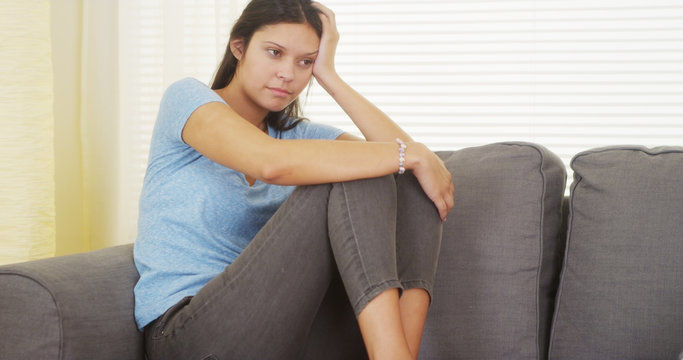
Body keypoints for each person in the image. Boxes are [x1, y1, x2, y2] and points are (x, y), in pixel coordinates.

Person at [133, 0, 454, 359]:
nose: (288, 73)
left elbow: (411, 171)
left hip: (285, 330)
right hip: (190, 330)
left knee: (400, 178)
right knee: (368, 166)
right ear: (238, 46)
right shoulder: (188, 100)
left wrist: (330, 76)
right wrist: (412, 153)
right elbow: (269, 162)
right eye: (274, 53)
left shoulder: (298, 135)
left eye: (305, 62)